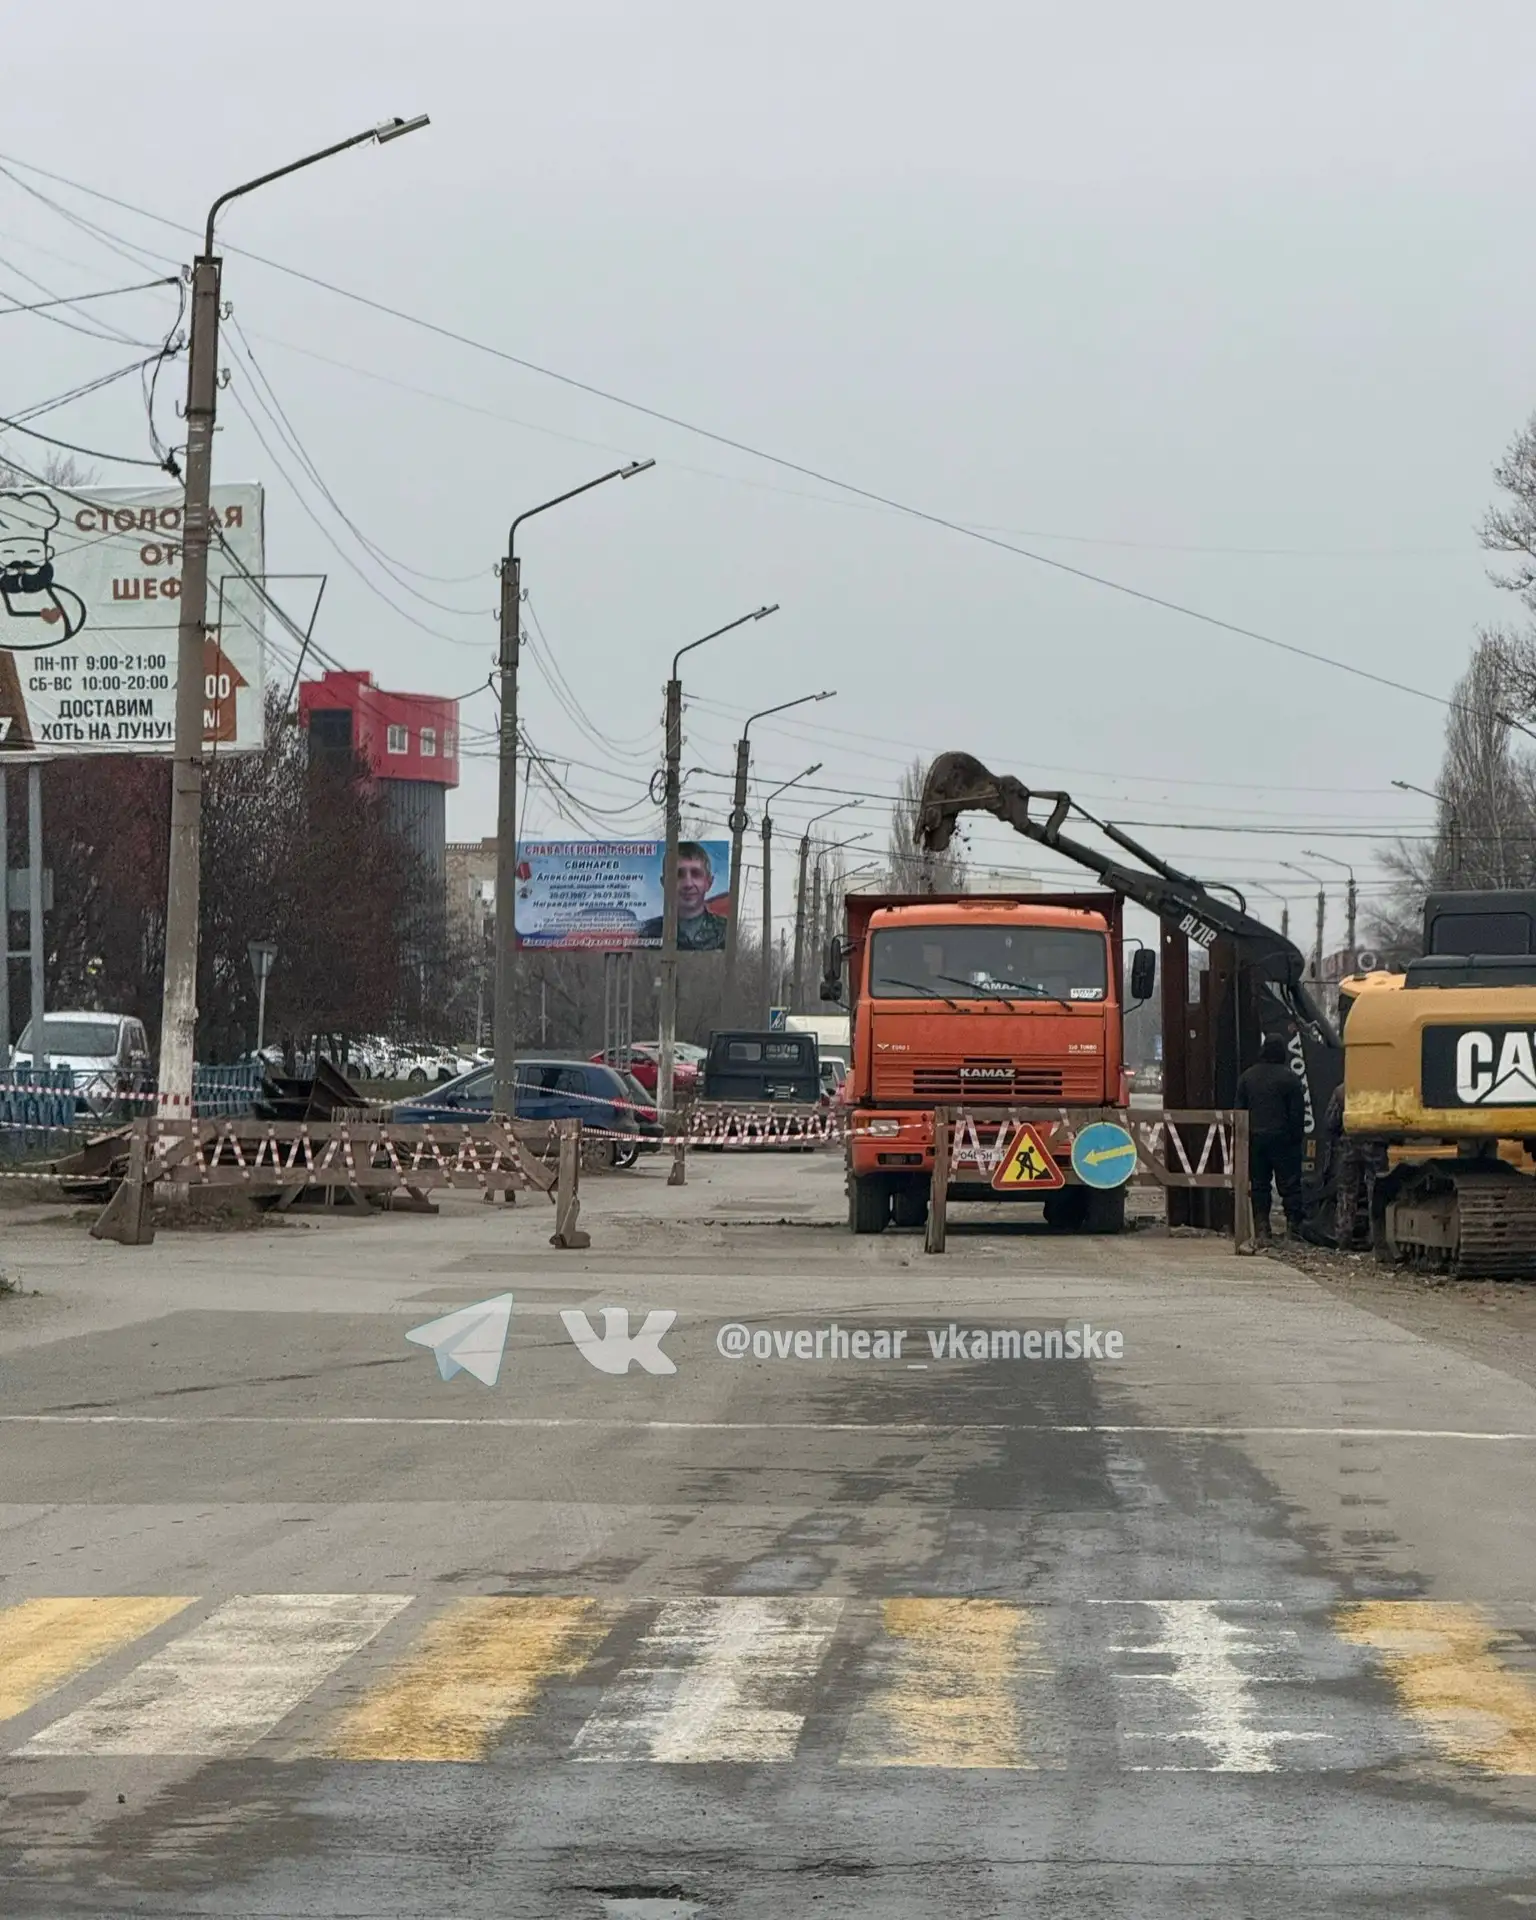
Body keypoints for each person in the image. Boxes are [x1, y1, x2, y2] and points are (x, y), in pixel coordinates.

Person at [1235, 1032, 1307, 1239]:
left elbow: (1239, 1111)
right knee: (1290, 1186)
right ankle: (1293, 1228)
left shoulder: (1247, 1077)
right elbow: (1297, 1115)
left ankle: (1262, 1227)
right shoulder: (1290, 1078)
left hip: (1255, 1140)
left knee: (1259, 1185)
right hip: (1284, 1141)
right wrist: (1296, 1140)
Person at [639, 842, 728, 950]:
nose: (688, 884)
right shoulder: (646, 934)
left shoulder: (726, 932)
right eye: (678, 875)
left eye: (696, 874)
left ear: (708, 883)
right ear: (664, 883)